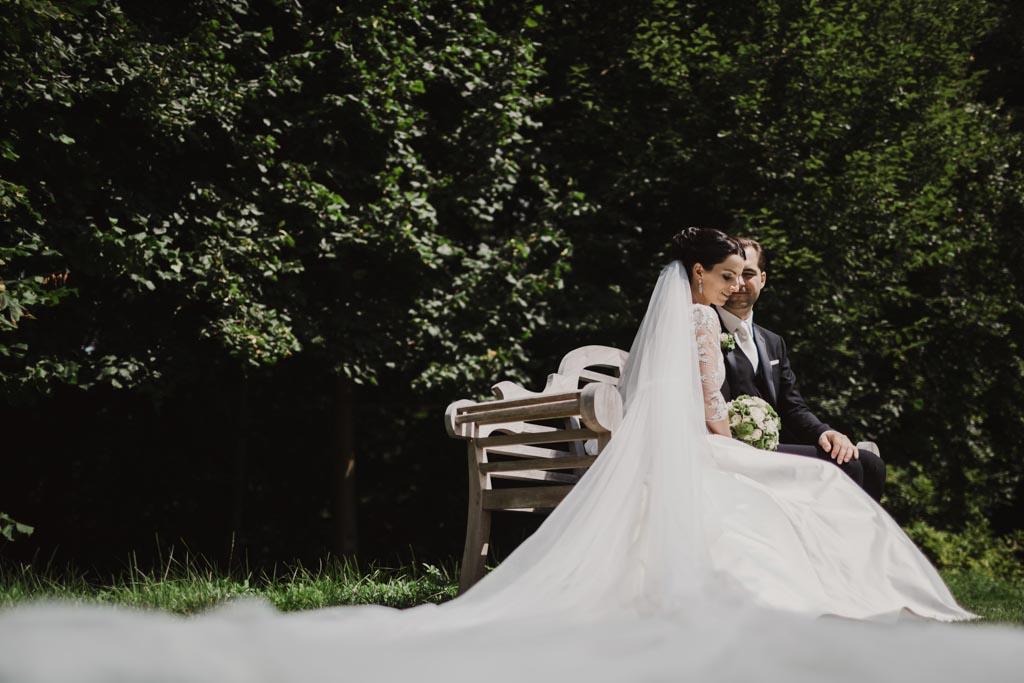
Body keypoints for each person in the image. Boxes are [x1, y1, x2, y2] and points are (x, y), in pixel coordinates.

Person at [3, 229, 1014, 683]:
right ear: (705, 273)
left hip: (686, 454)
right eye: (724, 267)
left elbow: (715, 411)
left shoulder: (694, 321)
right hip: (700, 454)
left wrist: (759, 430)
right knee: (799, 481)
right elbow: (709, 420)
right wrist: (746, 435)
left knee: (800, 470)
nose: (730, 279)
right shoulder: (699, 326)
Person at [715, 237, 886, 501]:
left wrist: (825, 433)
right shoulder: (706, 328)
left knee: (870, 464)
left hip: (769, 449)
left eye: (748, 274)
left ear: (762, 279)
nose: (739, 283)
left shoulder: (772, 342)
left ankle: (866, 541)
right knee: (846, 466)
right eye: (732, 275)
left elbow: (792, 406)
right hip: (734, 450)